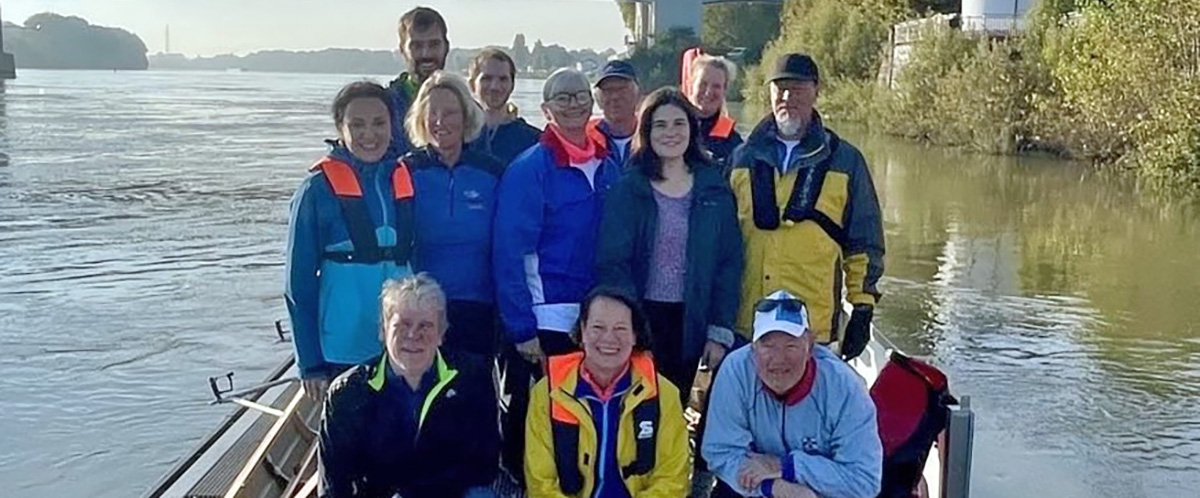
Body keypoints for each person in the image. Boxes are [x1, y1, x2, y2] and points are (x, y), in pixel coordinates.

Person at [493, 68, 623, 484]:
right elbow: (510, 251)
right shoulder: (531, 168)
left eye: (581, 95)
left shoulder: (607, 164)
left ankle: (578, 482)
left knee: (581, 410)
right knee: (534, 410)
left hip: (594, 315)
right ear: (546, 110)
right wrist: (521, 326)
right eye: (563, 98)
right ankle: (518, 481)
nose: (574, 104)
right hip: (545, 316)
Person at [728, 53, 884, 360]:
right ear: (769, 93)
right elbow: (719, 244)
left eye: (797, 89)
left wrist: (862, 307)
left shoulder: (846, 161)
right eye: (780, 88)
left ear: (816, 91)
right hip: (747, 324)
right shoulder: (740, 158)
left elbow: (864, 243)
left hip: (812, 328)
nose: (787, 97)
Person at [596, 87, 743, 400]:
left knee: (674, 408)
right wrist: (625, 325)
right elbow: (612, 262)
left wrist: (719, 329)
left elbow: (729, 263)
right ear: (646, 132)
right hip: (640, 319)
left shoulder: (714, 190)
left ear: (692, 129)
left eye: (679, 124)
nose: (670, 133)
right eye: (660, 125)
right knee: (637, 413)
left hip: (692, 319)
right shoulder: (629, 188)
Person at [286, 81, 414, 400]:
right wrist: (309, 363)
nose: (369, 134)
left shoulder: (404, 178)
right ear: (340, 129)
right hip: (342, 349)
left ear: (392, 126)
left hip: (402, 345)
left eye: (379, 123)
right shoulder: (316, 191)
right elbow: (297, 283)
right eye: (357, 125)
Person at [318, 274, 499, 498]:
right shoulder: (346, 393)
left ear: (441, 334)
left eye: (425, 325)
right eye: (402, 325)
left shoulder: (472, 377)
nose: (413, 335)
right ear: (383, 332)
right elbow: (335, 485)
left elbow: (483, 466)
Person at [701, 290, 882, 498]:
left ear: (810, 346)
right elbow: (720, 451)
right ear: (753, 348)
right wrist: (774, 488)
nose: (778, 359)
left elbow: (865, 481)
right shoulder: (735, 370)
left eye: (791, 345)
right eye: (767, 346)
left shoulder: (846, 388)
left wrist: (789, 466)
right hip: (756, 487)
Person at [525, 287, 689, 498]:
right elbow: (540, 483)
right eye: (598, 327)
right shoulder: (546, 393)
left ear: (635, 336)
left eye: (620, 329)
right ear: (581, 332)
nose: (608, 338)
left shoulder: (663, 394)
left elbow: (673, 479)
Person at [402, 71, 503, 358]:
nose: (440, 122)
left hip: (478, 309)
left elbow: (509, 245)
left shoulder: (492, 172)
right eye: (433, 113)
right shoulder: (405, 171)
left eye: (450, 113)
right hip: (421, 310)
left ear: (466, 117)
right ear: (421, 118)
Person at [387, 6, 450, 155]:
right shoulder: (385, 106)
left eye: (434, 44)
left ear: (446, 46)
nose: (426, 53)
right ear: (403, 50)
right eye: (416, 46)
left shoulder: (467, 108)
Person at [468, 48, 542, 165]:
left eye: (503, 79)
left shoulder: (533, 140)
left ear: (512, 85)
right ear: (472, 85)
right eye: (487, 79)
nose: (495, 87)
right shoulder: (459, 136)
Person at [684, 54, 744, 171]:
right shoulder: (673, 130)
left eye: (716, 86)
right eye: (703, 84)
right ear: (691, 85)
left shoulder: (734, 143)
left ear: (724, 91)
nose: (708, 92)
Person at [589, 59, 641, 166]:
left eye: (622, 89)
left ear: (637, 93)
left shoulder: (652, 133)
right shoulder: (586, 137)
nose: (615, 97)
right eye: (607, 91)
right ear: (597, 99)